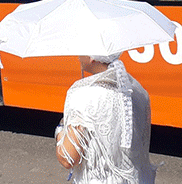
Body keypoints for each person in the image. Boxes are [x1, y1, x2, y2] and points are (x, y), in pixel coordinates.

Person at [56, 53, 156, 184]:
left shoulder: (83, 96)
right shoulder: (136, 90)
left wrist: (61, 129)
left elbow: (67, 158)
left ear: (92, 58)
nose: (78, 56)